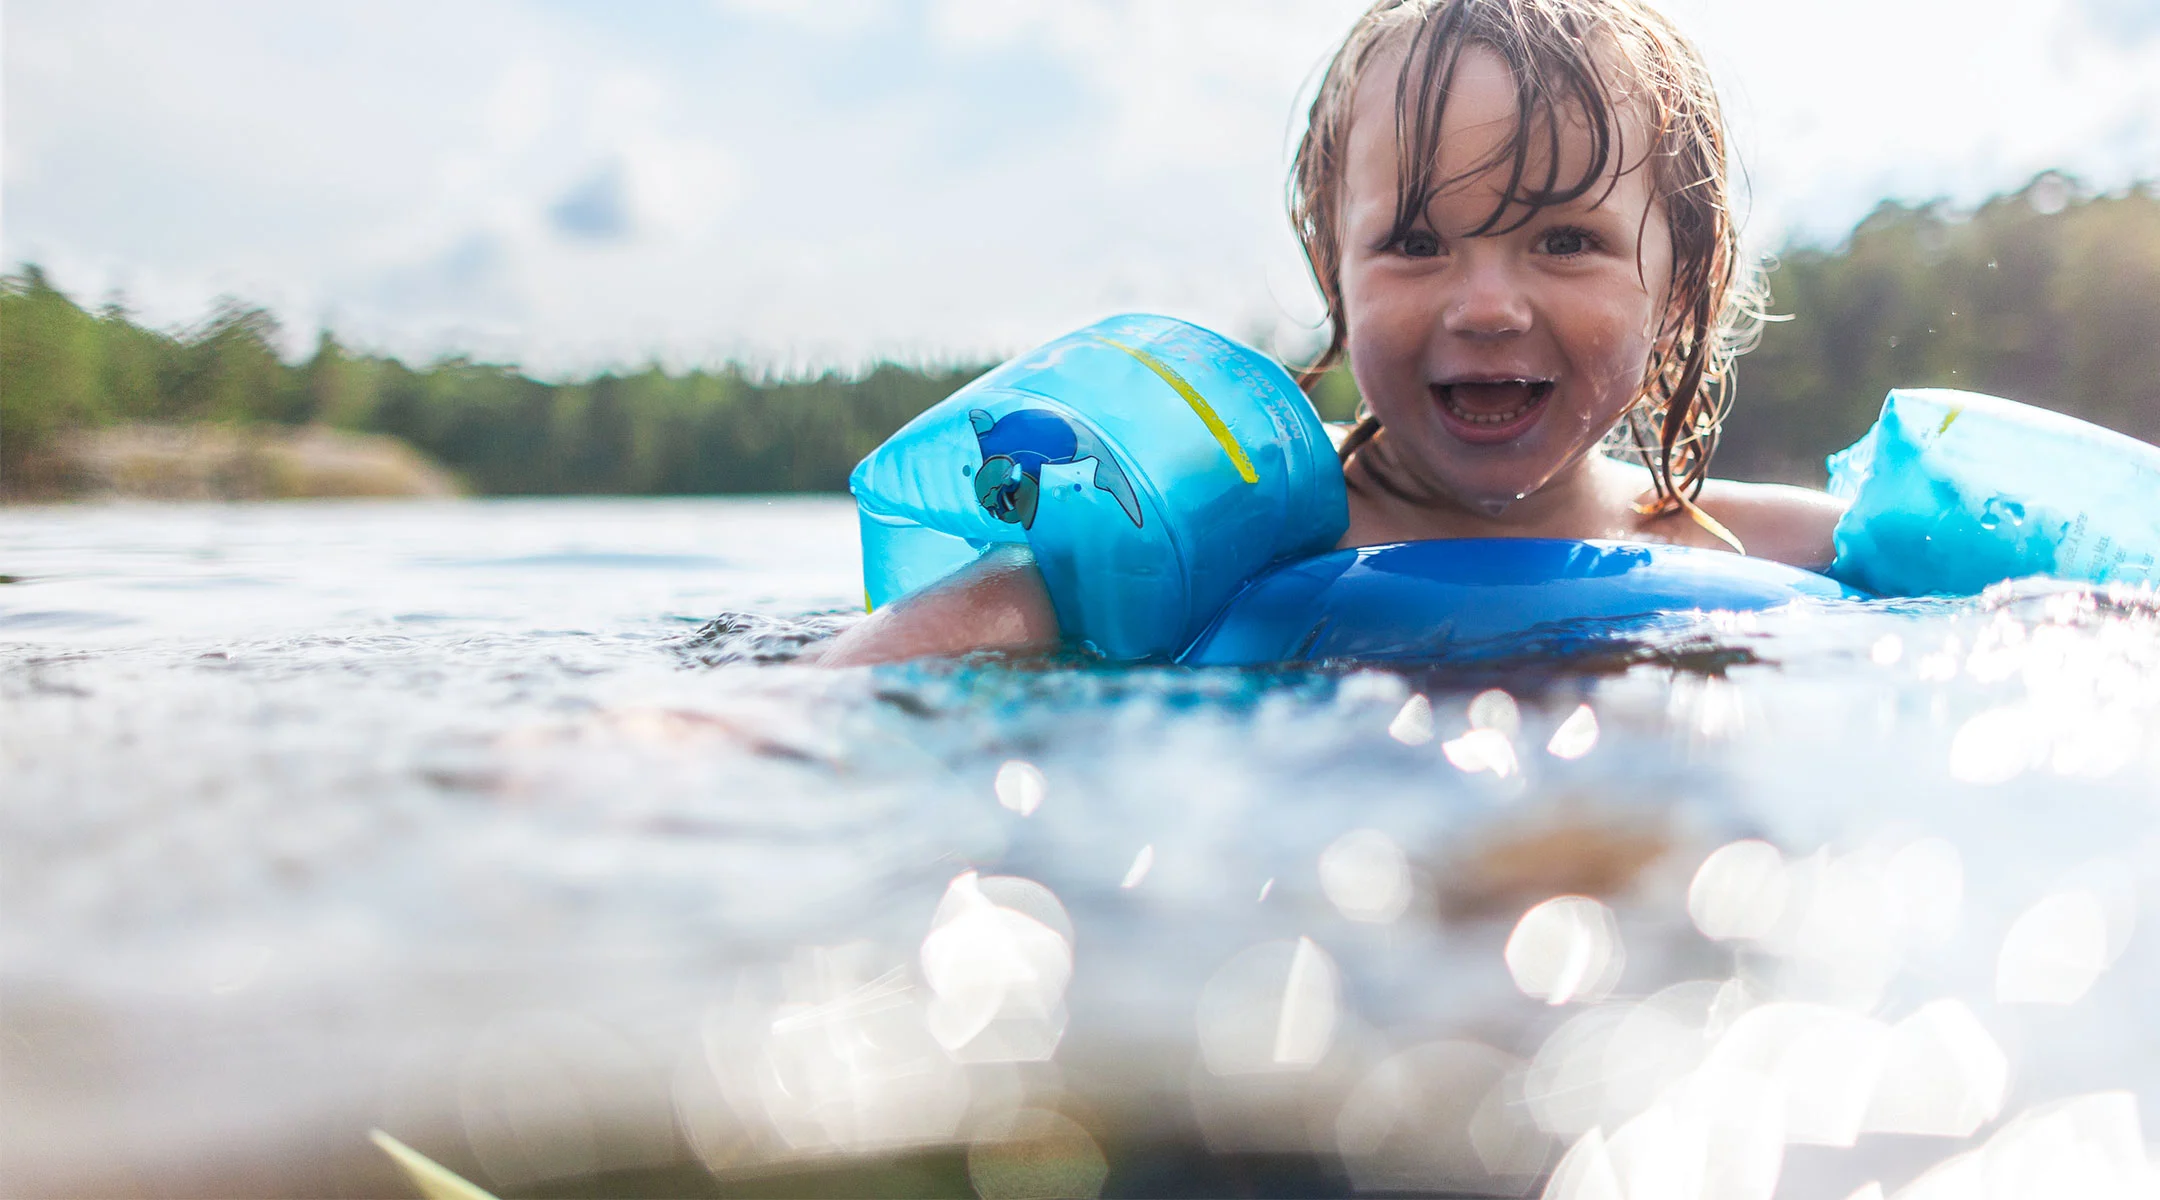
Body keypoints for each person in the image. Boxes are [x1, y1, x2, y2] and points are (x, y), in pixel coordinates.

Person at [821, 0, 1844, 668]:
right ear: (1335, 273)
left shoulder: (1762, 545)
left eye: (1566, 239)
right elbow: (918, 652)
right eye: (1413, 241)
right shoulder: (1233, 538)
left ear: (1679, 285)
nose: (1487, 306)